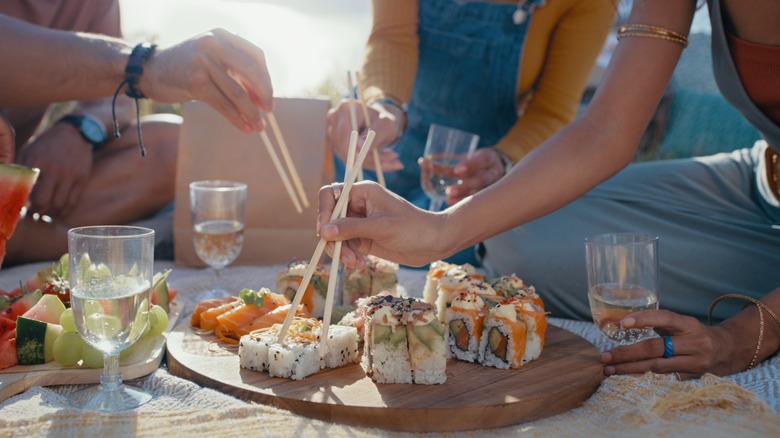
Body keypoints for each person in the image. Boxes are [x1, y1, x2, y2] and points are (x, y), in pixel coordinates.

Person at [318, 0, 780, 380]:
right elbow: (605, 131)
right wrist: (442, 230)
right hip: (754, 176)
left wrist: (737, 339)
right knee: (512, 228)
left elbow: (554, 110)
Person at [326, 0, 615, 264]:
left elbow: (552, 111)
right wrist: (385, 105)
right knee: (348, 257)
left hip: (476, 182)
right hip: (383, 140)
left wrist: (504, 158)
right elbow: (392, 36)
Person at [0, 6, 273, 265]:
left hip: (23, 181)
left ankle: (57, 241)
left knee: (172, 146)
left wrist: (80, 128)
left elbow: (117, 99)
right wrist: (145, 65)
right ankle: (97, 247)